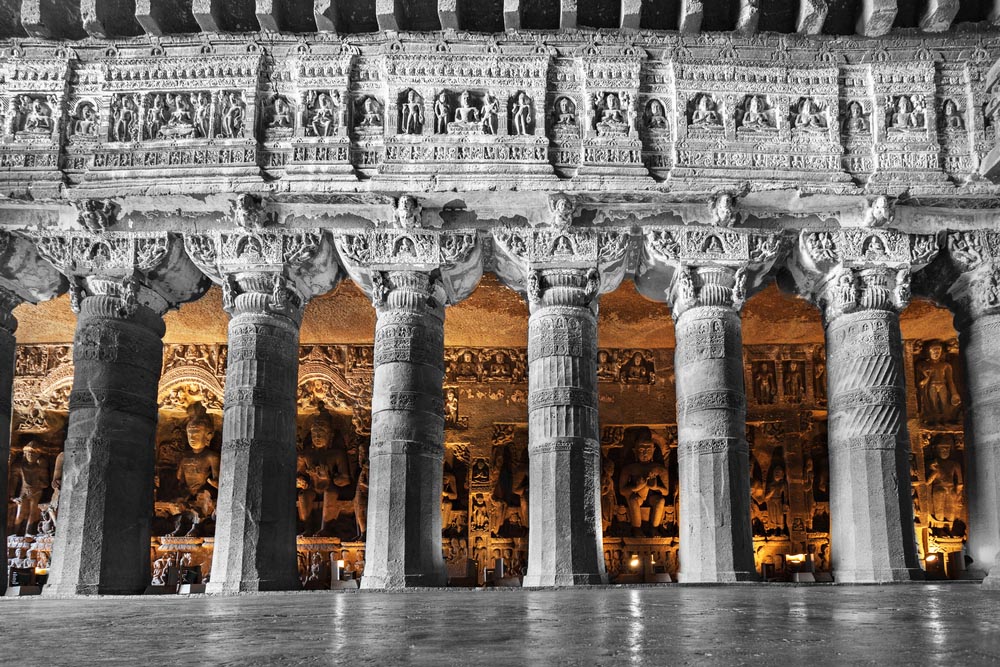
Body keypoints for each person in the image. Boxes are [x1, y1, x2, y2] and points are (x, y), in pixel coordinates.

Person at [619, 429, 669, 537]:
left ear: (653, 450)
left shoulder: (660, 469)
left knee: (661, 500)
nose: (645, 453)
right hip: (638, 497)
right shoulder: (629, 469)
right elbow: (622, 491)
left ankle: (654, 528)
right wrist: (636, 487)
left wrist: (655, 487)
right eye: (641, 450)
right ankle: (637, 528)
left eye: (648, 450)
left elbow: (666, 492)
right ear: (635, 451)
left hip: (652, 498)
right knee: (633, 499)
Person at [11, 442, 50, 536]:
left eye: (34, 453)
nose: (31, 455)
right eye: (28, 453)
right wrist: (12, 495)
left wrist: (39, 483)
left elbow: (46, 483)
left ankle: (29, 532)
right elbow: (13, 481)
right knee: (20, 513)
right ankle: (15, 532)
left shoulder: (41, 468)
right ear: (25, 453)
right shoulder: (20, 466)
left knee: (33, 513)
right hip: (24, 492)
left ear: (38, 455)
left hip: (36, 492)